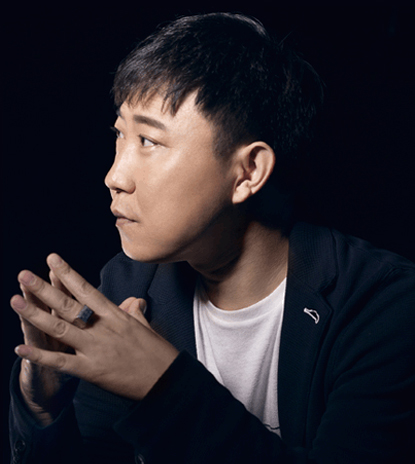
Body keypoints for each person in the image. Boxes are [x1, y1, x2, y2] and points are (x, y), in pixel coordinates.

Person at [9, 12, 415, 464]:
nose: (114, 177)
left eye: (149, 141)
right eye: (120, 135)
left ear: (248, 172)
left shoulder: (385, 307)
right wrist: (43, 411)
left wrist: (161, 385)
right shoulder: (128, 285)